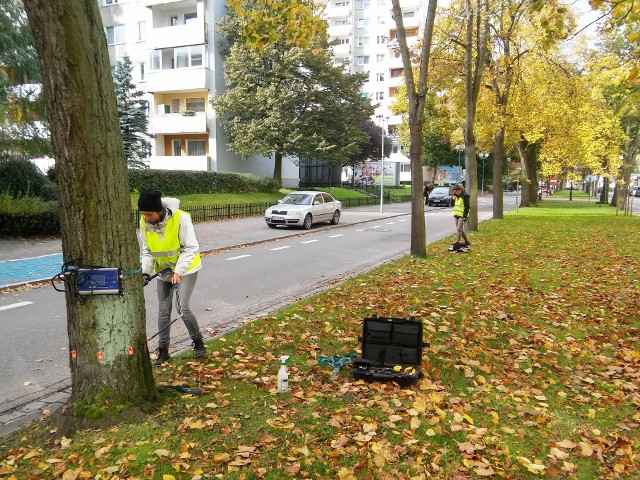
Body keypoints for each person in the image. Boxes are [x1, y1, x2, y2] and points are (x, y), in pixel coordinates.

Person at [138, 190, 207, 366]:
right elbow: (146, 251)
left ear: (159, 210)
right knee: (163, 310)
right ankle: (163, 351)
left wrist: (179, 271)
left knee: (182, 308)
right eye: (143, 214)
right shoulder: (145, 223)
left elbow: (190, 248)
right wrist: (145, 272)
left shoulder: (181, 218)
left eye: (149, 214)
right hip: (163, 271)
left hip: (186, 268)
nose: (146, 218)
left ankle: (198, 342)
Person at [449, 184, 470, 252]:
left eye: (457, 191)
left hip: (462, 215)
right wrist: (453, 197)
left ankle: (457, 243)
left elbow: (467, 207)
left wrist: (464, 216)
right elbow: (452, 205)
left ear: (460, 190)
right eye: (455, 191)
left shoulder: (465, 195)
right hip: (456, 214)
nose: (456, 192)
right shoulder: (455, 196)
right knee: (460, 229)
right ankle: (466, 241)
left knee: (459, 229)